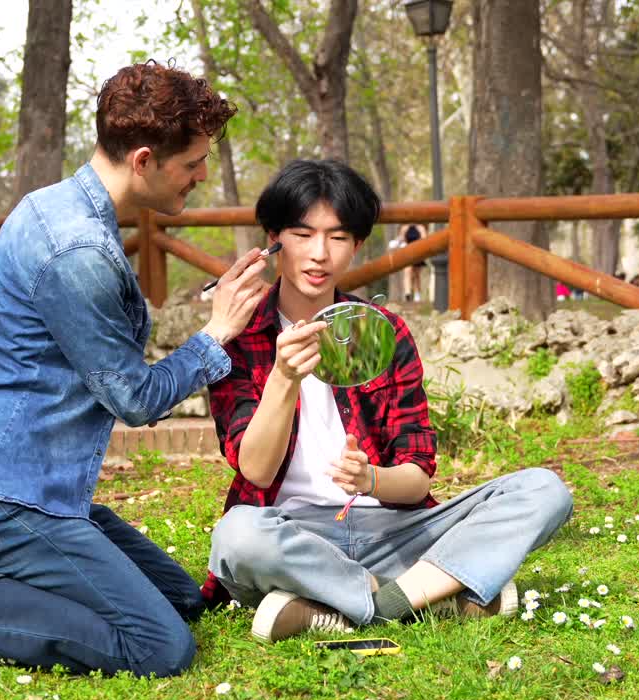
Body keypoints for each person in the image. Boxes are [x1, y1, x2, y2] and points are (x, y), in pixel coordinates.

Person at [0, 61, 270, 681]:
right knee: (161, 648)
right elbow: (135, 398)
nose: (201, 177)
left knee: (183, 601)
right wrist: (217, 334)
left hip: (40, 490)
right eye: (192, 165)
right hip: (1, 494)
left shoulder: (62, 209)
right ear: (146, 160)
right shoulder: (77, 251)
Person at [203, 159, 574, 642]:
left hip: (394, 533)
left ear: (356, 245)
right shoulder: (239, 336)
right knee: (237, 535)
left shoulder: (383, 332)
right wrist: (283, 377)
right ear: (275, 239)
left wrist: (370, 478)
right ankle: (436, 594)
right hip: (293, 534)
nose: (320, 254)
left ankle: (357, 606)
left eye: (337, 238)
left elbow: (416, 475)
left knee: (544, 490)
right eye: (302, 234)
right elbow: (254, 471)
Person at [401, 224, 426, 301]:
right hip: (407, 253)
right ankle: (407, 293)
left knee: (416, 275)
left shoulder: (421, 227)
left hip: (418, 253)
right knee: (407, 272)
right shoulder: (404, 227)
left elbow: (424, 239)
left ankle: (417, 294)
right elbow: (402, 239)